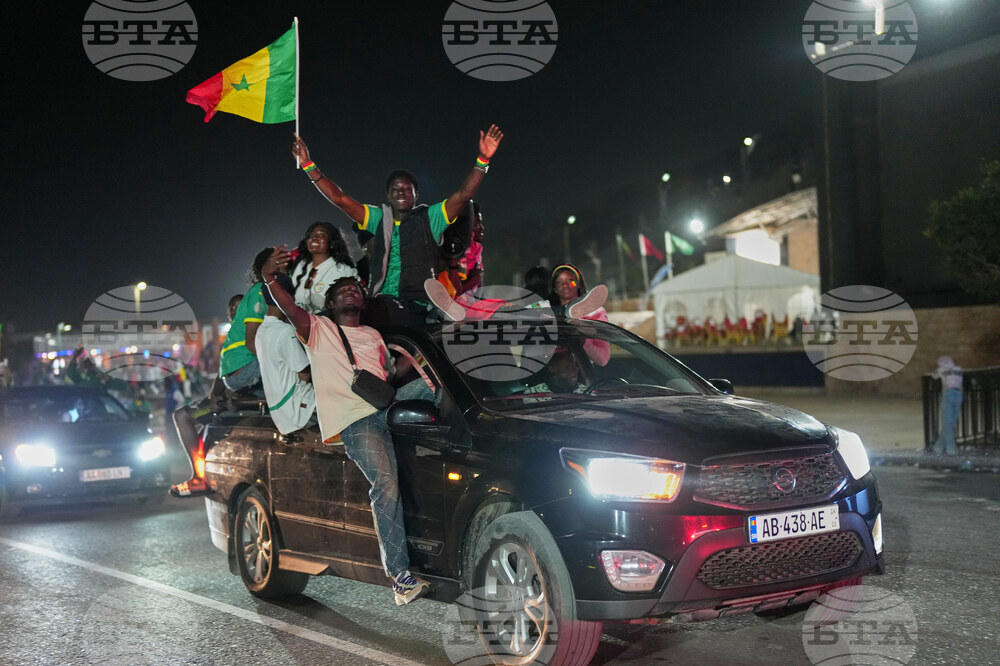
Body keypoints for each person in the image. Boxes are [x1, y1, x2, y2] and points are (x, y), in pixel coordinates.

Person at [264, 271, 431, 606]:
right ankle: (399, 577)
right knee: (385, 483)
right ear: (331, 303)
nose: (350, 292)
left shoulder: (372, 333)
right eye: (342, 290)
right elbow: (290, 310)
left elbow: (388, 375)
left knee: (435, 389)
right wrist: (272, 283)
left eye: (355, 289)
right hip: (356, 420)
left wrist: (418, 359)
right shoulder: (319, 329)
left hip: (386, 405)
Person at [291, 124, 504, 327]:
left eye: (406, 189)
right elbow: (340, 199)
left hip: (416, 301)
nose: (400, 192)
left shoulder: (430, 216)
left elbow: (463, 195)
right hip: (381, 297)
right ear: (388, 196)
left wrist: (483, 159)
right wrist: (309, 165)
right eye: (395, 189)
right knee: (328, 318)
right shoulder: (377, 217)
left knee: (363, 310)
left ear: (416, 195)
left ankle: (436, 312)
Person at [220, 246, 290, 393]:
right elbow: (251, 342)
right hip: (243, 367)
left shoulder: (266, 290)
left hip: (240, 367)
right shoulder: (260, 291)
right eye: (279, 262)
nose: (284, 266)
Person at [256, 273, 317, 434]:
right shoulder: (284, 331)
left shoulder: (261, 331)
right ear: (287, 296)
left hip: (281, 413)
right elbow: (304, 374)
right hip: (300, 410)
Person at [290, 221, 359, 314]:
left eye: (321, 235)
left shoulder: (344, 271)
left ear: (332, 243)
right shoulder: (301, 266)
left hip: (326, 326)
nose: (314, 237)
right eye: (311, 235)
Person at [550, 264, 611, 366]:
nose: (565, 285)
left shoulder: (596, 312)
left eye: (571, 281)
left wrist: (583, 342)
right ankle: (564, 311)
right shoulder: (546, 310)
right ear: (555, 289)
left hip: (582, 371)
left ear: (578, 284)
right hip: (555, 371)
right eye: (559, 283)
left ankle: (568, 313)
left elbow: (603, 360)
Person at [932, 355, 963, 455]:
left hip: (948, 394)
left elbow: (934, 375)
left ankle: (951, 450)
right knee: (951, 423)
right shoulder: (959, 369)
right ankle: (938, 447)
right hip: (958, 395)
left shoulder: (941, 370)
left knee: (947, 423)